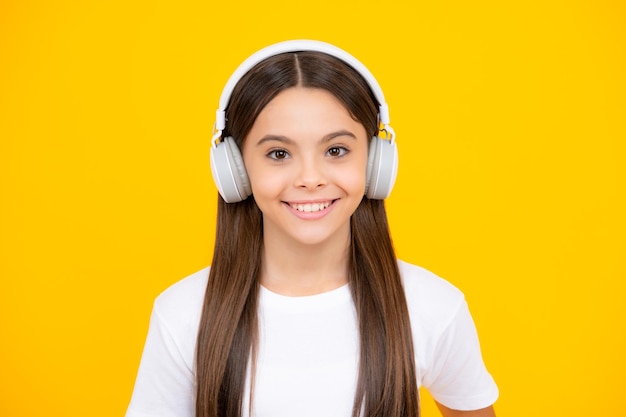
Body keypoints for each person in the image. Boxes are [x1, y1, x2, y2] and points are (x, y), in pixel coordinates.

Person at [125, 40, 498, 417]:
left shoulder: (434, 307)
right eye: (278, 153)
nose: (310, 178)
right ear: (235, 170)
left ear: (375, 162)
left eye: (335, 150)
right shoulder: (183, 315)